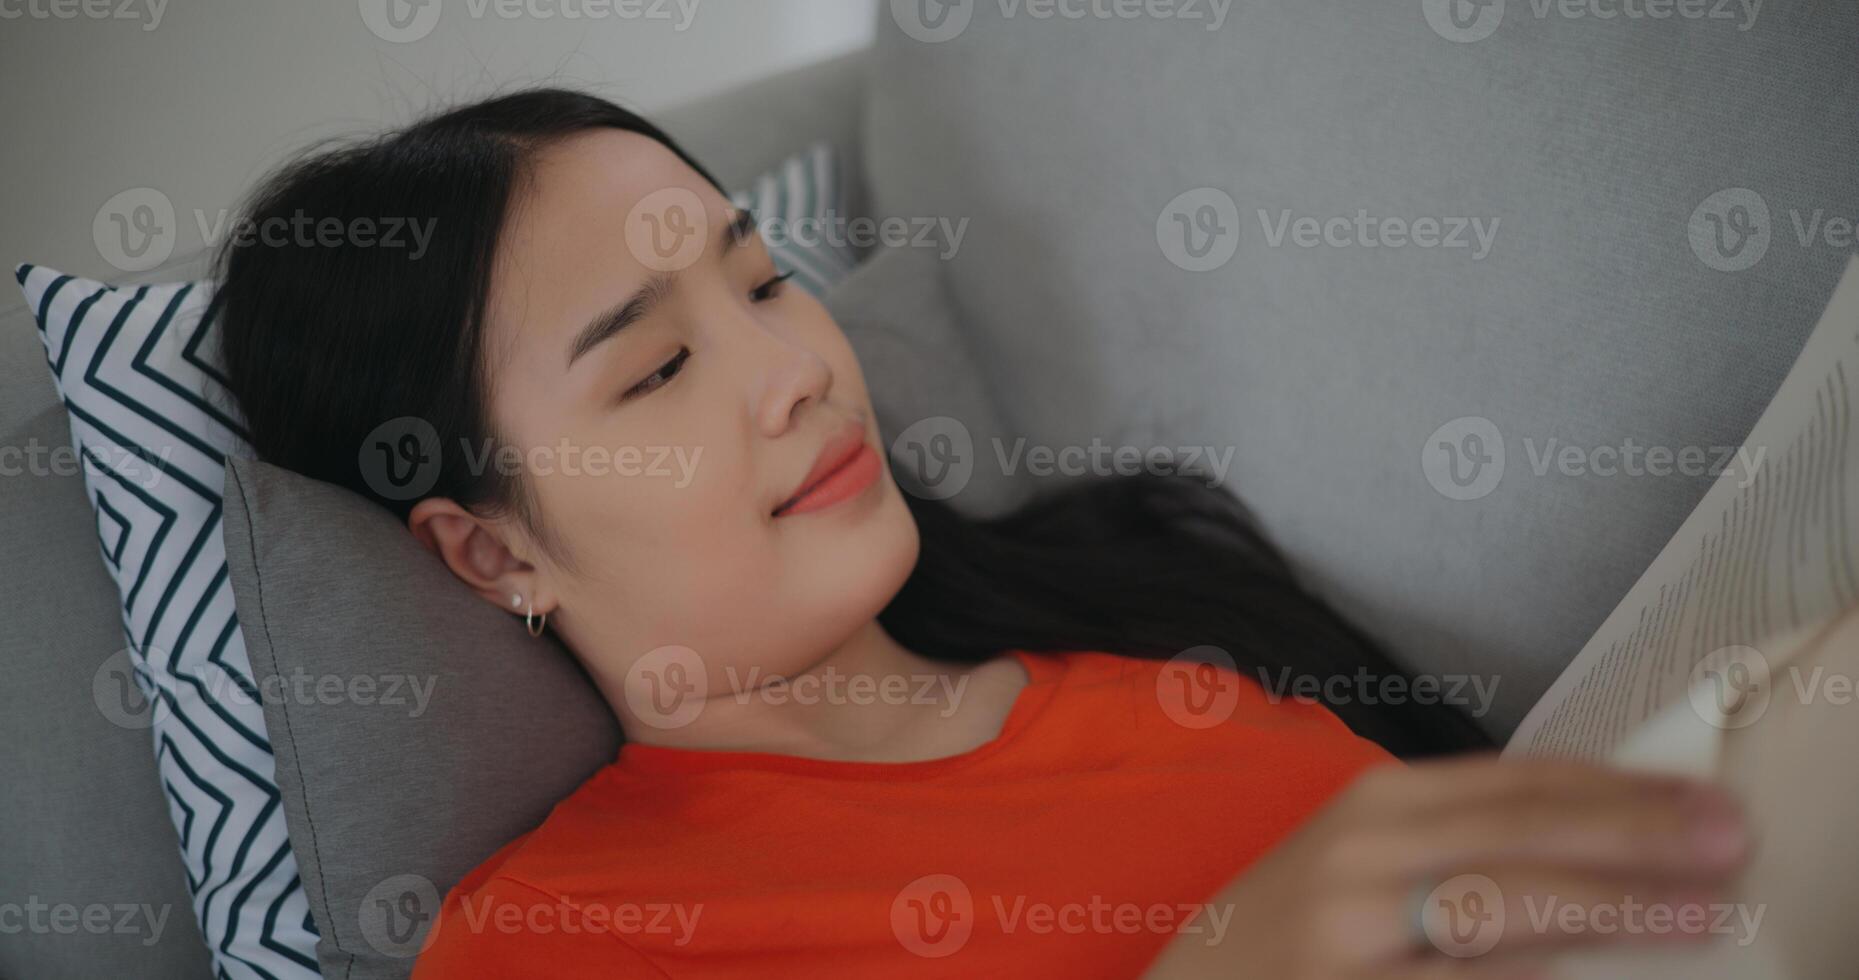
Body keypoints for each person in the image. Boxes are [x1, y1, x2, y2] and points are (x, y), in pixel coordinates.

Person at [213, 88, 1749, 978]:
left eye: (761, 286)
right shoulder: (561, 943)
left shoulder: (1156, 607)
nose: (796, 371)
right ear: (494, 552)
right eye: (661, 368)